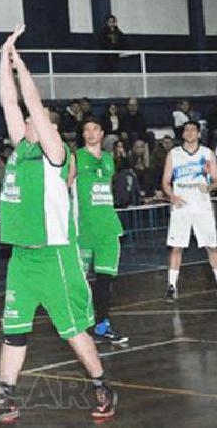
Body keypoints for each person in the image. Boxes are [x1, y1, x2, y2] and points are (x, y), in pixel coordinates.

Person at [0, 25, 116, 424]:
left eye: (42, 121)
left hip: (56, 257)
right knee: (13, 332)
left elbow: (31, 103)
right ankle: (5, 398)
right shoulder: (23, 149)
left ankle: (103, 385)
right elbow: (9, 104)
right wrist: (3, 57)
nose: (32, 122)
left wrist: (23, 67)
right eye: (34, 122)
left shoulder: (57, 154)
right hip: (23, 257)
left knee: (72, 332)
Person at [162, 121, 217, 302]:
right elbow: (165, 181)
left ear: (199, 133)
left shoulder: (207, 154)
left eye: (193, 129)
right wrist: (172, 195)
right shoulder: (174, 154)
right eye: (186, 129)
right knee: (176, 246)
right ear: (183, 134)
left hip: (202, 206)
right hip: (181, 207)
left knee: (212, 246)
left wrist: (209, 187)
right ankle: (172, 287)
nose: (189, 132)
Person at [70, 118, 128, 345]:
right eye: (87, 130)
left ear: (102, 133)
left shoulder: (108, 159)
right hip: (82, 229)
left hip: (108, 227)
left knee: (105, 280)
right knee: (79, 280)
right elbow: (64, 186)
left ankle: (103, 324)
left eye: (95, 129)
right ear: (83, 135)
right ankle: (77, 323)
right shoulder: (75, 158)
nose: (91, 133)